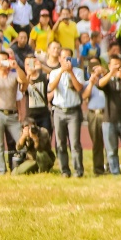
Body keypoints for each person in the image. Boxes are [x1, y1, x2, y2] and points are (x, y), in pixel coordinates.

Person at [48, 47, 85, 178]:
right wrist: (62, 72)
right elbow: (51, 88)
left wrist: (70, 73)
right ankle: (65, 170)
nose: (66, 60)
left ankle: (78, 171)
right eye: (64, 58)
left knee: (75, 143)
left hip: (73, 111)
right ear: (59, 59)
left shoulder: (78, 72)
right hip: (58, 110)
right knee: (60, 143)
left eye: (68, 58)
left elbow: (79, 87)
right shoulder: (54, 72)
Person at [0, 50, 26, 174]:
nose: (3, 63)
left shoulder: (13, 75)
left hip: (12, 114)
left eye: (5, 60)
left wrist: (16, 67)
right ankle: (2, 171)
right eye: (1, 60)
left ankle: (19, 168)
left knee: (21, 143)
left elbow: (23, 81)